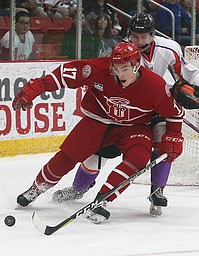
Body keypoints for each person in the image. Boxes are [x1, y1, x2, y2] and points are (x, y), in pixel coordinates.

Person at [52, 12, 199, 216]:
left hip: (156, 105)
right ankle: (78, 188)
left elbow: (189, 72)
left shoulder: (169, 48)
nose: (139, 41)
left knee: (165, 143)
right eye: (134, 36)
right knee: (99, 152)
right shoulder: (122, 51)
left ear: (152, 35)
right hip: (126, 108)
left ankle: (157, 190)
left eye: (144, 36)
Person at [14, 42, 185, 224]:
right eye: (115, 68)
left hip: (134, 128)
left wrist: (174, 136)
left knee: (139, 158)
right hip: (97, 121)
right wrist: (35, 89)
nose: (119, 74)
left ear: (136, 65)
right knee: (67, 156)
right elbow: (63, 74)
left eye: (125, 69)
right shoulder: (97, 68)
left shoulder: (155, 85)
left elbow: (175, 113)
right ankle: (36, 188)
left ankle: (103, 199)